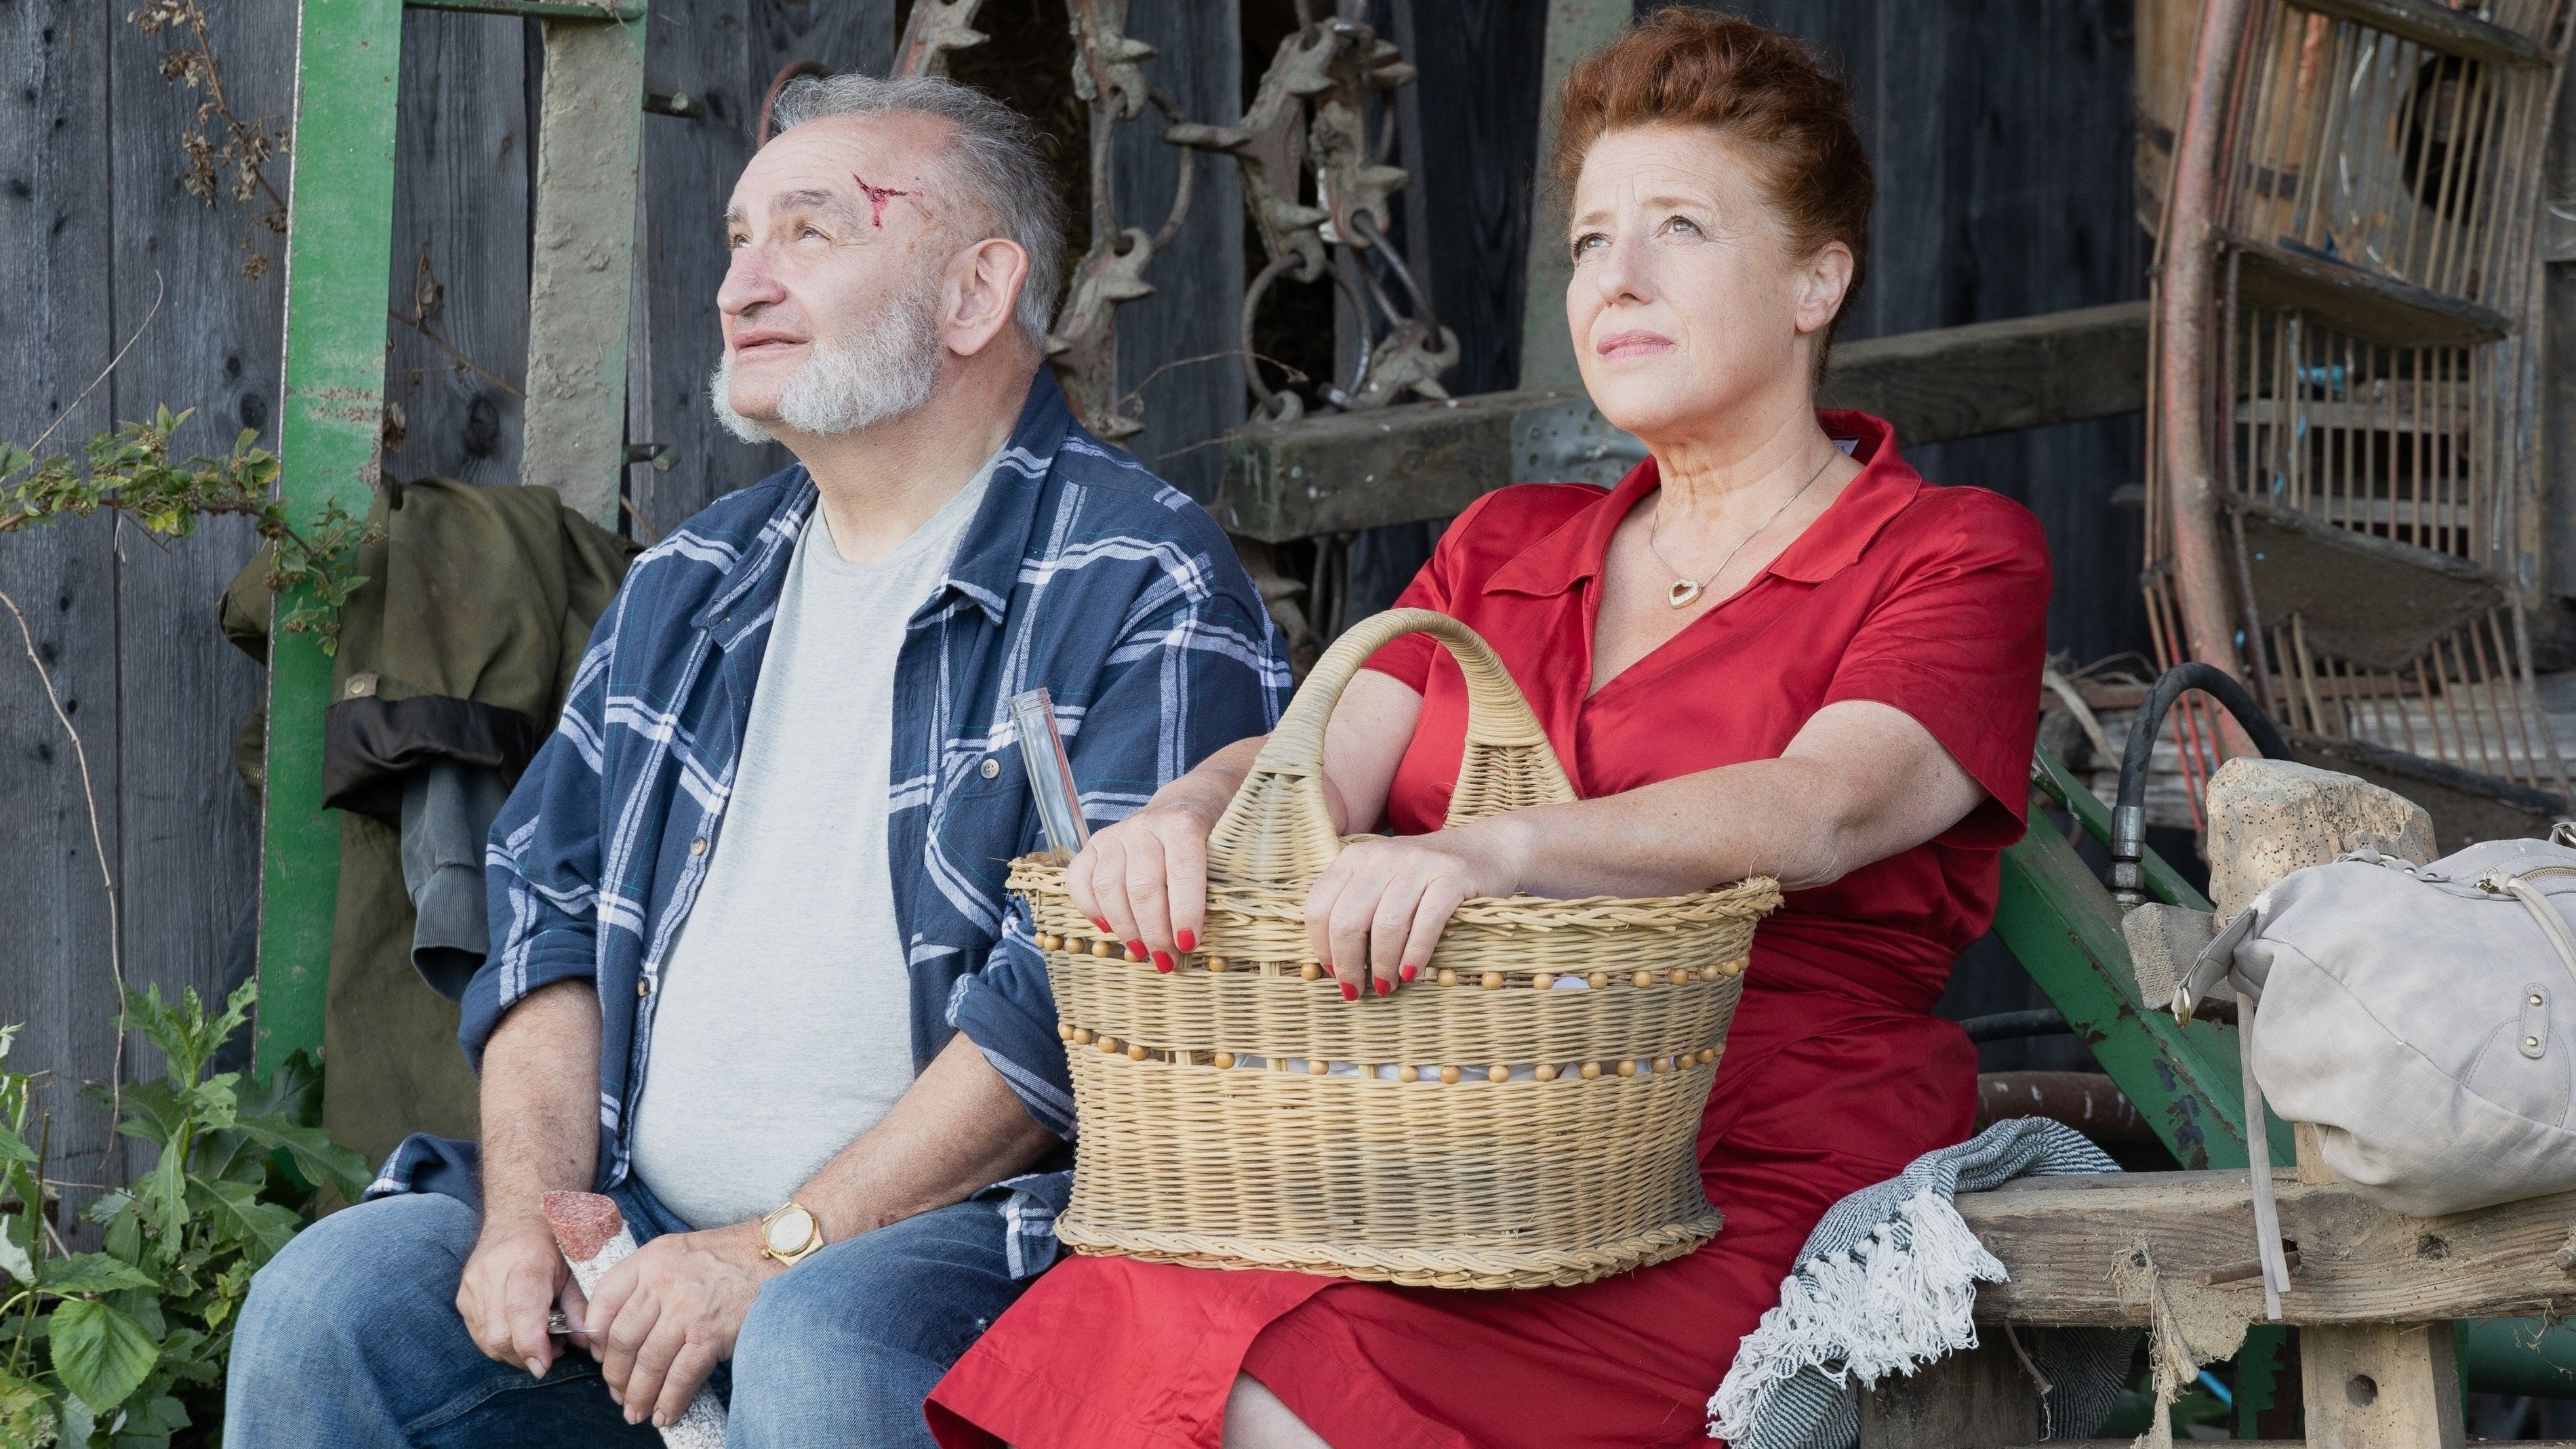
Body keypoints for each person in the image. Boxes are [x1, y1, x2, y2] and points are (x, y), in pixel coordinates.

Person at [924, 12, 2051, 1448]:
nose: (1618, 278)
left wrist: (1492, 851)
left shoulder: (1948, 552)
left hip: (1742, 1171)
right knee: (1121, 1307)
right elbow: (1308, 764)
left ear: (1814, 281)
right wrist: (1183, 820)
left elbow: (1828, 804)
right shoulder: (1504, 543)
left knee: (1272, 1374)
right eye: (1589, 242)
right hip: (1441, 1152)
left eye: (1680, 228)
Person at [224, 74, 1289, 1448]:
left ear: (976, 293)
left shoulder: (1137, 574)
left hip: (975, 1244)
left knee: (818, 1338)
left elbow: (1075, 1012)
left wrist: (774, 1249)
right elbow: (547, 917)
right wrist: (531, 1213)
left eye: (810, 230)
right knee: (329, 1308)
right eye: (737, 239)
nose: (742, 284)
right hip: (642, 1231)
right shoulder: (692, 579)